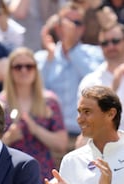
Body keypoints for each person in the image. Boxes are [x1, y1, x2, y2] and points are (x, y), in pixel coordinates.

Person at [0, 47, 68, 184]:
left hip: (41, 173)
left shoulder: (49, 101)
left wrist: (35, 129)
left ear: (36, 70)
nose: (23, 71)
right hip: (9, 173)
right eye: (17, 66)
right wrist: (8, 138)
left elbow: (62, 143)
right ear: (10, 70)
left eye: (29, 66)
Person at [35, 2, 103, 145]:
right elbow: (36, 90)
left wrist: (71, 49)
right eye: (66, 22)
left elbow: (98, 85)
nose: (71, 27)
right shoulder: (43, 57)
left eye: (77, 22)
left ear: (83, 28)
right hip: (50, 136)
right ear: (57, 27)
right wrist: (50, 57)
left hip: (84, 136)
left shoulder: (95, 53)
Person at [78, 22, 124, 130]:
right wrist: (113, 89)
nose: (110, 46)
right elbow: (86, 124)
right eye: (105, 43)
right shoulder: (90, 82)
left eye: (115, 41)